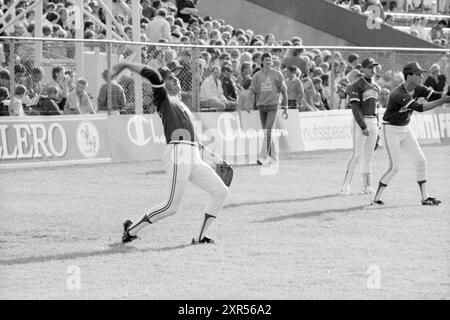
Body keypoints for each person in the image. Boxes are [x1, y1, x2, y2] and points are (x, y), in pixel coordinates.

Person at [110, 62, 229, 244]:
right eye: (171, 78)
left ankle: (200, 237)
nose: (176, 80)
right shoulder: (163, 98)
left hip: (192, 155)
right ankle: (131, 229)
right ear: (163, 84)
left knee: (220, 191)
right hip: (177, 152)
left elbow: (196, 142)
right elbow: (154, 76)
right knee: (171, 206)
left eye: (176, 77)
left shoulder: (182, 105)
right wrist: (128, 65)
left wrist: (217, 160)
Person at [372, 62, 450, 206]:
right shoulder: (398, 93)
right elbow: (419, 108)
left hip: (405, 129)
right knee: (395, 166)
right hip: (391, 130)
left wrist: (446, 95)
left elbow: (437, 95)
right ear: (409, 76)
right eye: (418, 74)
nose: (421, 76)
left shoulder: (418, 88)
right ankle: (377, 197)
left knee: (421, 160)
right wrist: (442, 101)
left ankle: (425, 198)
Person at [341, 58, 382, 195]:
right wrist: (363, 126)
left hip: (373, 121)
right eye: (370, 67)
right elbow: (355, 107)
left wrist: (378, 127)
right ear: (363, 69)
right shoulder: (357, 85)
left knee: (369, 156)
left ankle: (366, 186)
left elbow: (376, 109)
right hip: (361, 121)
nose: (373, 70)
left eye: (374, 67)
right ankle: (345, 185)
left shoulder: (376, 86)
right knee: (357, 155)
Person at [249, 52, 288, 165]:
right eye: (266, 60)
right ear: (262, 61)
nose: (268, 62)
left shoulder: (277, 74)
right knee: (267, 133)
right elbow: (252, 90)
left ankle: (262, 157)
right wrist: (248, 102)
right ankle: (274, 157)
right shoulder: (257, 76)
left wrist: (285, 107)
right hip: (262, 106)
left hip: (273, 106)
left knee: (267, 131)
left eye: (270, 60)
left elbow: (284, 91)